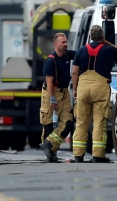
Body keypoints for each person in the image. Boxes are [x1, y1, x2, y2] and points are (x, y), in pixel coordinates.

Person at [70, 24, 117, 163]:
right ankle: (98, 155)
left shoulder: (81, 50)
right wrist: (106, 42)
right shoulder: (109, 49)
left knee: (81, 122)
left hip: (83, 88)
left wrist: (75, 89)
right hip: (100, 88)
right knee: (99, 122)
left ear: (89, 37)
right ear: (102, 37)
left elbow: (75, 71)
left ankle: (78, 155)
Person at [40, 32, 75, 163]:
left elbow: (82, 54)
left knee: (68, 124)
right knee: (48, 124)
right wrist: (52, 99)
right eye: (63, 42)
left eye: (66, 42)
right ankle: (51, 152)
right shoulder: (51, 61)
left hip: (64, 92)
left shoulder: (67, 55)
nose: (66, 44)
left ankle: (49, 144)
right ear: (56, 44)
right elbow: (49, 82)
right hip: (51, 92)